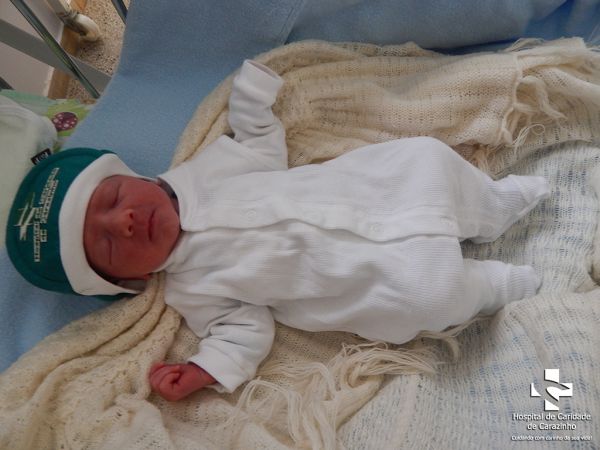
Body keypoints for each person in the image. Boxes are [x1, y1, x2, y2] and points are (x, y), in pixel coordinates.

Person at [7, 60, 550, 402]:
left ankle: (495, 206)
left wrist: (252, 102)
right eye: (105, 244)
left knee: (427, 161)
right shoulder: (192, 289)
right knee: (428, 299)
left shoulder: (203, 171)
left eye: (113, 199)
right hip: (365, 277)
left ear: (134, 177)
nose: (123, 221)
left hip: (374, 191)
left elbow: (260, 147)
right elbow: (242, 331)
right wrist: (204, 369)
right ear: (126, 281)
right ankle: (494, 284)